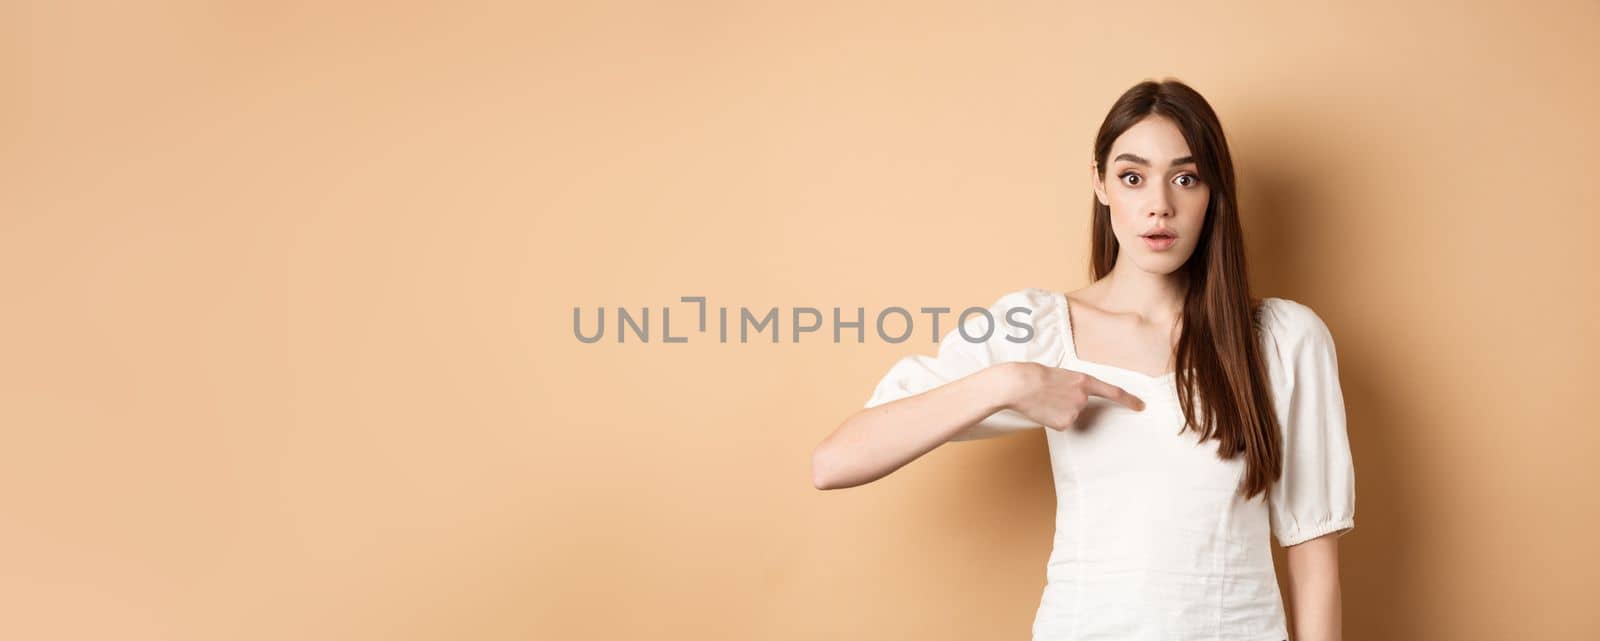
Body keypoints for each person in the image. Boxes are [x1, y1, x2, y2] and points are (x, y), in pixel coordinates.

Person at [810, 78, 1355, 641]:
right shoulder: (1040, 331)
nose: (1159, 205)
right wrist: (1008, 382)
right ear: (1100, 184)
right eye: (1133, 177)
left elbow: (1314, 566)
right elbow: (834, 463)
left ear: (1213, 192)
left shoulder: (1282, 341)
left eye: (1185, 179)